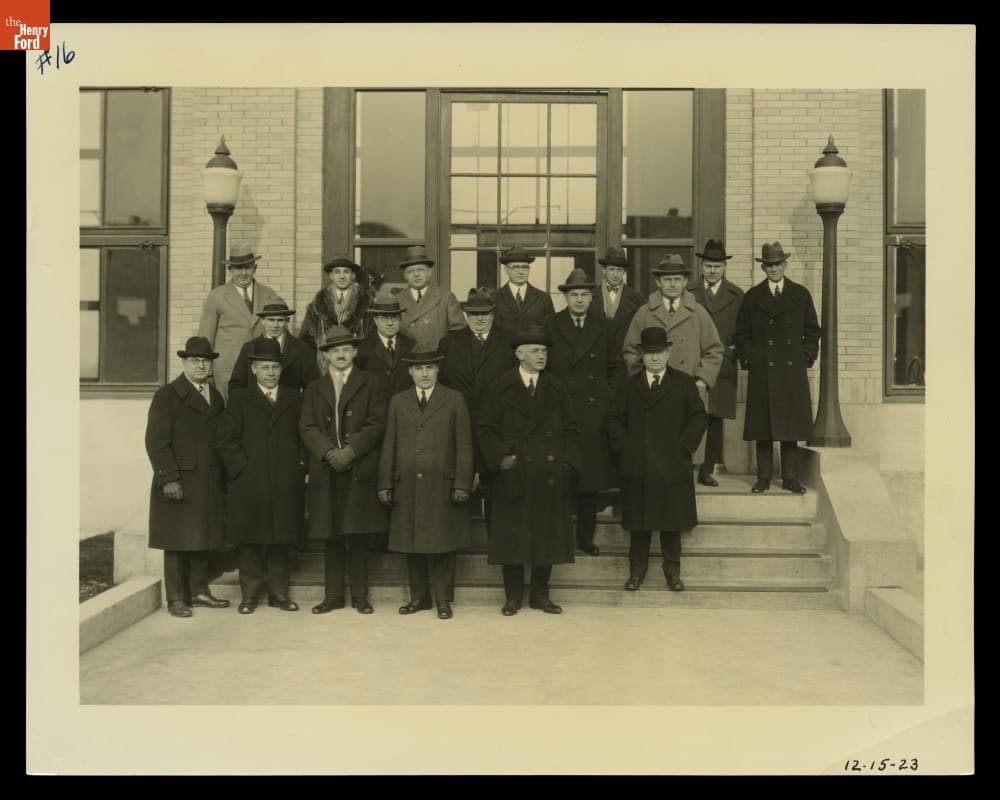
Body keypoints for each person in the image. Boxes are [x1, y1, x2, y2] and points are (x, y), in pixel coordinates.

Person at [477, 325, 581, 616]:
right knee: (512, 538)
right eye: (535, 350)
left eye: (545, 351)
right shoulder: (499, 386)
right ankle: (512, 597)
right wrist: (500, 457)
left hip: (548, 475)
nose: (542, 356)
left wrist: (566, 465)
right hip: (513, 473)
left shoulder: (558, 388)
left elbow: (571, 430)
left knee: (545, 537)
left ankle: (540, 595)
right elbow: (485, 429)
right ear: (519, 354)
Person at [607, 327, 708, 593]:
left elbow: (698, 416)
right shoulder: (629, 385)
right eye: (649, 353)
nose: (654, 358)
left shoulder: (684, 383)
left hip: (672, 464)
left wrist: (684, 447)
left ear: (668, 353)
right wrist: (625, 447)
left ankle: (672, 573)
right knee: (639, 527)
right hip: (638, 465)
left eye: (659, 352)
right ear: (641, 355)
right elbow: (614, 418)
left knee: (671, 524)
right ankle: (636, 574)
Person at [377, 350, 475, 620]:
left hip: (441, 485)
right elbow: (389, 444)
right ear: (409, 372)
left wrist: (462, 483)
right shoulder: (398, 402)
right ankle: (419, 597)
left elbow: (464, 445)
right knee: (412, 543)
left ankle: (443, 599)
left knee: (443, 544)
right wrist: (385, 482)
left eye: (429, 368)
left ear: (437, 370)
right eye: (418, 369)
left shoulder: (454, 399)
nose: (424, 373)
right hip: (407, 484)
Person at [299, 325, 389, 615]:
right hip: (327, 470)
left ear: (355, 352)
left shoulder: (371, 383)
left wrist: (351, 451)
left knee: (358, 535)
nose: (341, 354)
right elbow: (307, 426)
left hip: (358, 468)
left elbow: (377, 423)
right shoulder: (314, 388)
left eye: (346, 349)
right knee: (332, 535)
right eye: (334, 350)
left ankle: (360, 597)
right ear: (325, 356)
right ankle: (333, 596)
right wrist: (328, 452)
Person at [216, 338, 305, 614]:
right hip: (250, 483)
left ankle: (279, 593)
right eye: (264, 367)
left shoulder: (294, 397)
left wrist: (299, 466)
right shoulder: (240, 399)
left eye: (275, 367)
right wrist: (242, 469)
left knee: (281, 539)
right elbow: (225, 439)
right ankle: (250, 595)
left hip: (284, 481)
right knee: (250, 541)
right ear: (253, 369)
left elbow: (304, 434)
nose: (270, 372)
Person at [144, 336, 230, 617]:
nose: (201, 365)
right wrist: (168, 478)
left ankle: (198, 590)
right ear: (184, 363)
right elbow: (156, 442)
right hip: (179, 480)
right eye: (195, 361)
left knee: (202, 538)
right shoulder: (167, 395)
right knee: (177, 541)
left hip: (208, 480)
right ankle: (176, 598)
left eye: (206, 361)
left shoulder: (214, 396)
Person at [543, 268, 624, 557]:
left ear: (592, 298)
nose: (579, 300)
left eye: (584, 295)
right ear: (565, 297)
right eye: (574, 294)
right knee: (562, 477)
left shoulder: (606, 327)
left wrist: (608, 398)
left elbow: (616, 367)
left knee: (589, 480)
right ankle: (561, 537)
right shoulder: (550, 325)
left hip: (595, 414)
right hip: (560, 412)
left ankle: (585, 538)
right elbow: (544, 367)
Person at [733, 242, 821, 495]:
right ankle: (763, 478)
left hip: (791, 371)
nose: (774, 269)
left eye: (777, 264)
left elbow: (812, 331)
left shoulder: (800, 294)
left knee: (789, 428)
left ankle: (790, 479)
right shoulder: (752, 297)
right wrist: (750, 358)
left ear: (785, 264)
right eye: (769, 265)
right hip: (764, 370)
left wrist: (805, 356)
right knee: (764, 428)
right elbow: (742, 333)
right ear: (764, 268)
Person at [622, 253, 722, 464]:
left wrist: (702, 381)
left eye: (677, 279)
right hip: (652, 394)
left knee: (684, 451)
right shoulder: (644, 313)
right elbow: (630, 350)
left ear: (686, 281)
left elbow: (714, 349)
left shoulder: (698, 312)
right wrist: (642, 381)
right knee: (654, 453)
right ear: (658, 282)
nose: (672, 284)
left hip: (687, 393)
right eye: (667, 279)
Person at [438, 288, 516, 533]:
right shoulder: (449, 343)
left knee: (497, 486)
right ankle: (460, 540)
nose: (479, 318)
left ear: (493, 315)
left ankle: (497, 541)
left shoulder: (508, 342)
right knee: (459, 482)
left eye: (484, 313)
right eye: (473, 313)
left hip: (497, 427)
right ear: (465, 315)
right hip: (460, 425)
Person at [687, 239, 745, 486]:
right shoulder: (689, 292)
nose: (712, 270)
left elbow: (744, 332)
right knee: (691, 415)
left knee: (715, 419)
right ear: (701, 266)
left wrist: (732, 353)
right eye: (708, 265)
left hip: (722, 365)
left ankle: (707, 469)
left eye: (717, 266)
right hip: (693, 365)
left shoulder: (737, 295)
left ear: (724, 267)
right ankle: (689, 467)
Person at [197, 243, 287, 400]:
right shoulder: (216, 297)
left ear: (255, 268)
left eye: (248, 267)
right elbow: (205, 339)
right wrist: (208, 373)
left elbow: (282, 333)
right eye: (238, 268)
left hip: (263, 372)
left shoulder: (269, 295)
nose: (244, 273)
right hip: (228, 372)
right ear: (230, 270)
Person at [227, 302, 319, 395]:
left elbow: (312, 386)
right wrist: (246, 406)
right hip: (255, 407)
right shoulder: (249, 348)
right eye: (271, 320)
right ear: (263, 321)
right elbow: (236, 385)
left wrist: (299, 405)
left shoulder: (302, 348)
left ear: (287, 321)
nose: (275, 325)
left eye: (280, 320)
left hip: (290, 407)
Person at [299, 254, 373, 357]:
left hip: (358, 363)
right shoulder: (317, 305)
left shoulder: (366, 304)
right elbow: (307, 340)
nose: (342, 276)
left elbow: (373, 339)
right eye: (337, 272)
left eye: (346, 271)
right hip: (326, 365)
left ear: (352, 275)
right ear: (331, 276)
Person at [394, 245, 467, 350]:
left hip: (438, 360)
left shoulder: (446, 297)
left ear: (429, 272)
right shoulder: (397, 300)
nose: (416, 274)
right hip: (408, 361)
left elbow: (459, 333)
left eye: (421, 270)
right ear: (405, 275)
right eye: (410, 271)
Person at [355, 295, 416, 398]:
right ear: (375, 320)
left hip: (404, 409)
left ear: (400, 320)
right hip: (375, 410)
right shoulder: (363, 348)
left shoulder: (411, 346)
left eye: (394, 318)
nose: (390, 323)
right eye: (384, 319)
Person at [490, 245, 556, 340]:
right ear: (506, 270)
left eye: (524, 267)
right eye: (515, 267)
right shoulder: (494, 298)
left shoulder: (543, 298)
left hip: (532, 353)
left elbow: (552, 331)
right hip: (502, 353)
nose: (521, 272)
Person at [591, 246, 644, 352]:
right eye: (611, 269)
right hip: (597, 358)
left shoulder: (637, 299)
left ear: (624, 272)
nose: (615, 274)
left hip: (624, 359)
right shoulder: (590, 297)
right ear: (603, 270)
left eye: (619, 270)